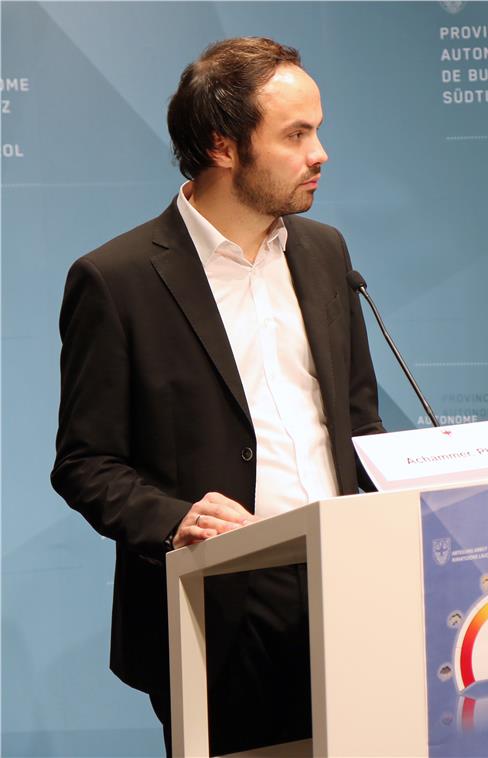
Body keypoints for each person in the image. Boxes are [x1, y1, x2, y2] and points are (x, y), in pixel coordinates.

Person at [50, 37, 384, 756]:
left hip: (347, 584)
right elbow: (85, 463)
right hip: (221, 605)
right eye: (296, 135)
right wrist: (175, 521)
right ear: (222, 146)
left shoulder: (325, 251)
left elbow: (359, 422)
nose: (320, 154)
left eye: (317, 131)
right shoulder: (118, 280)